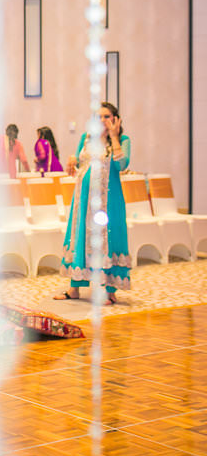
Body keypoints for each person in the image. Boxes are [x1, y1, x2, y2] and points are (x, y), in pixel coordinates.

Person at [55, 102, 131, 304]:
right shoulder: (86, 139)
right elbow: (80, 162)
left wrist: (114, 137)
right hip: (84, 200)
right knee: (80, 238)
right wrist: (72, 159)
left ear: (115, 119)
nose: (102, 120)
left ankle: (109, 290)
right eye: (99, 117)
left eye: (107, 116)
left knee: (108, 238)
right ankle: (74, 289)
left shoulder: (123, 140)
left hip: (109, 201)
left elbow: (121, 165)